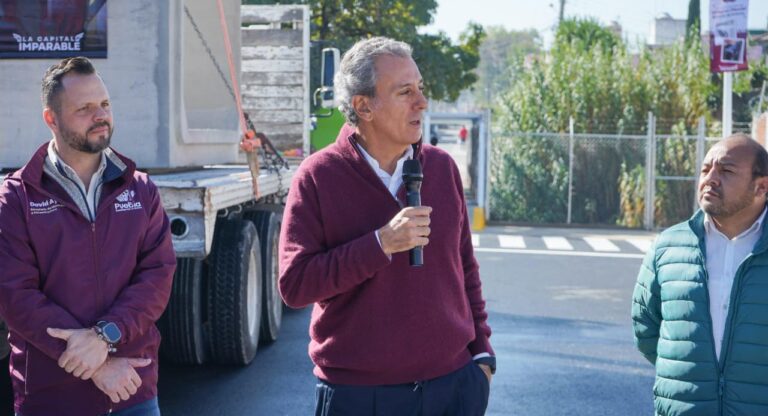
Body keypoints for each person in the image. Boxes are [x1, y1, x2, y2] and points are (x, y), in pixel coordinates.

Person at [279, 37, 494, 415]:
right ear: (364, 106)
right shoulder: (317, 176)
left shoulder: (442, 169)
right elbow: (295, 285)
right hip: (359, 396)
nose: (422, 102)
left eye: (421, 89)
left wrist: (482, 354)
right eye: (405, 92)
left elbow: (465, 268)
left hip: (454, 387)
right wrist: (379, 244)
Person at [0, 57, 176, 415]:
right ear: (52, 119)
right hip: (51, 397)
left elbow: (156, 277)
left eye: (105, 104)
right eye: (84, 108)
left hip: (132, 390)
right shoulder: (17, 197)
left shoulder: (140, 190)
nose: (100, 115)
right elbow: (15, 296)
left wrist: (105, 335)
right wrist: (97, 364)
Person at [632, 133, 768, 415]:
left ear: (761, 187)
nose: (711, 178)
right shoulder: (668, 246)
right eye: (706, 169)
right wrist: (688, 374)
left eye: (726, 170)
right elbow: (646, 329)